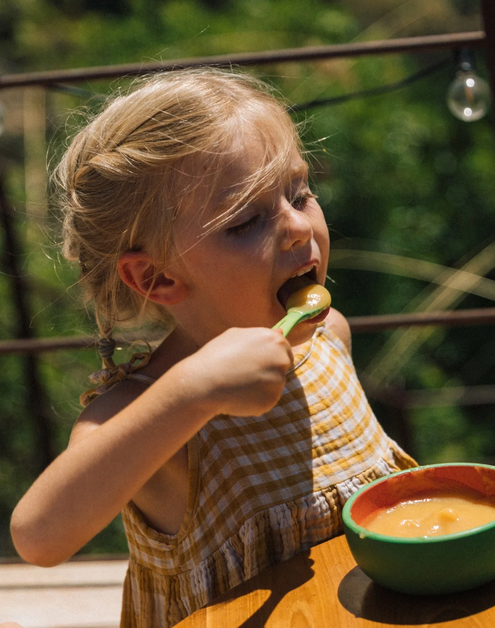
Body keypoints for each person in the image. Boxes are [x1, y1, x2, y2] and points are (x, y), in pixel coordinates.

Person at [10, 69, 417, 628]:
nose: (299, 227)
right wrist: (189, 394)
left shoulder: (331, 337)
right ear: (156, 278)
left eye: (299, 193)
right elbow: (39, 537)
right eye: (247, 221)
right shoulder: (149, 409)